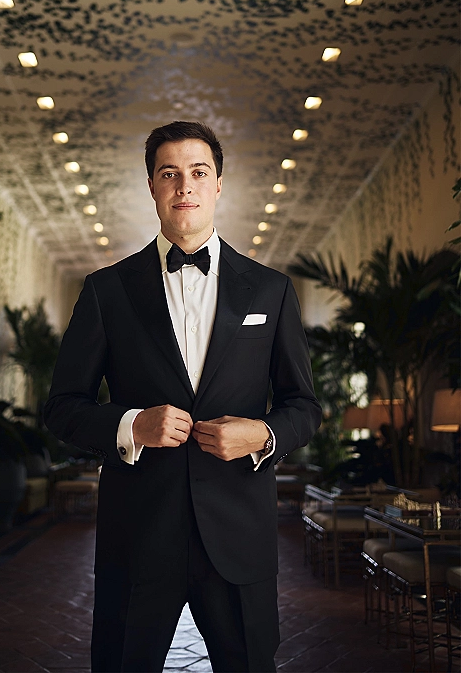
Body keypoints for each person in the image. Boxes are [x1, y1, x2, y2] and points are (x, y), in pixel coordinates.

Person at [44, 121, 321, 673]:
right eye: (169, 174)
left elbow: (304, 406)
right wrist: (130, 428)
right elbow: (62, 407)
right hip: (139, 537)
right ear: (151, 186)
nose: (184, 186)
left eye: (198, 173)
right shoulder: (106, 291)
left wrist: (263, 434)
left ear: (219, 185)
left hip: (238, 539)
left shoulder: (271, 289)